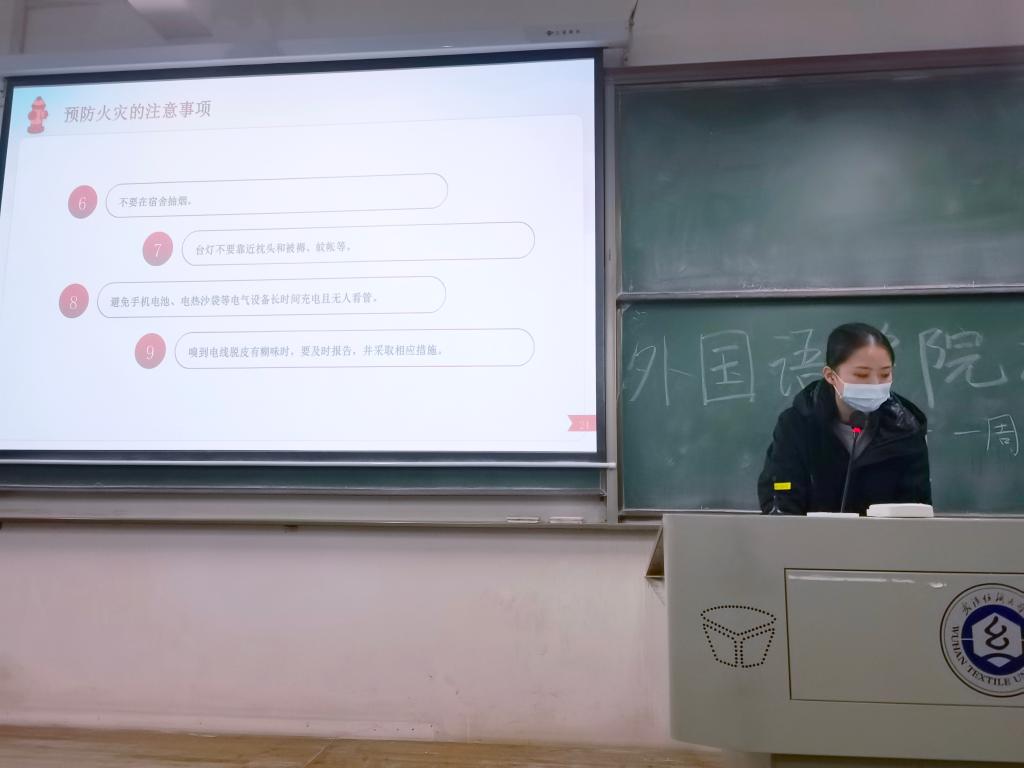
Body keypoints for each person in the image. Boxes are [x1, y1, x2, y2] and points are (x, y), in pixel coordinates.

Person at [758, 322, 931, 515]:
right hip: (811, 533)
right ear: (831, 376)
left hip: (884, 534)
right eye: (861, 374)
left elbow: (917, 508)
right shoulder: (797, 424)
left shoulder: (906, 428)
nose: (875, 384)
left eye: (885, 374)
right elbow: (780, 495)